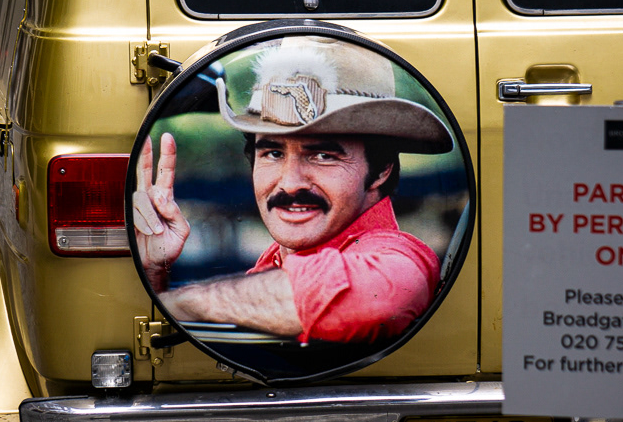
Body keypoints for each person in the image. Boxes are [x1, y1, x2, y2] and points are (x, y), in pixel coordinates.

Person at [134, 38, 455, 344]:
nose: (289, 183)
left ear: (382, 169)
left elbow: (375, 301)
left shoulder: (399, 260)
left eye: (323, 155)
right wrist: (153, 269)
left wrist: (181, 302)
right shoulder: (272, 263)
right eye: (273, 153)